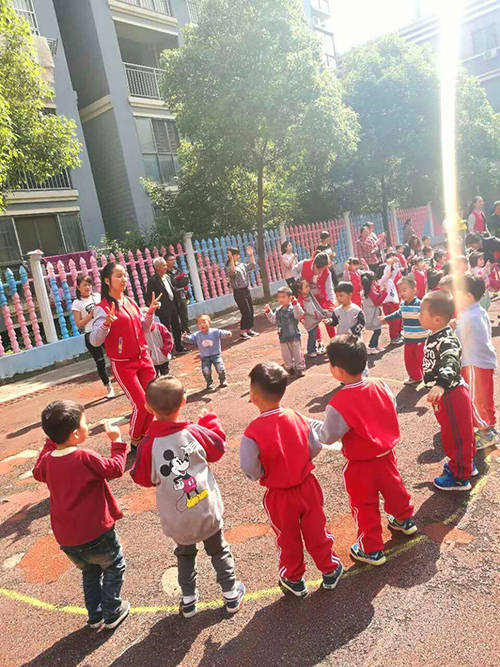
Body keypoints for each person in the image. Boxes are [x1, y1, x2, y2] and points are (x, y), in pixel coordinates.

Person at [130, 375, 245, 618]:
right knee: (219, 551)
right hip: (206, 510)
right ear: (183, 401)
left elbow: (141, 477)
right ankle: (231, 595)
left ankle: (189, 600)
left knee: (185, 555)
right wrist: (210, 422)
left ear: (148, 408)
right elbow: (218, 448)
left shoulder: (149, 445)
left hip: (177, 517)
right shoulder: (194, 431)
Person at [240, 361, 343, 596]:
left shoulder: (252, 431)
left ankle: (293, 578)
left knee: (287, 538)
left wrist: (261, 473)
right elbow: (315, 445)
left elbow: (249, 467)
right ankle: (329, 568)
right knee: (316, 530)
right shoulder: (295, 416)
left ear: (253, 396)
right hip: (307, 486)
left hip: (280, 496)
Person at [317, 335, 417, 566]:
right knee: (395, 489)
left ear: (338, 370)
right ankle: (404, 520)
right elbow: (391, 407)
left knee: (364, 504)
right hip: (386, 454)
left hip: (361, 463)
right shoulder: (380, 385)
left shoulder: (339, 402)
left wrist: (315, 430)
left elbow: (328, 436)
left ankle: (371, 548)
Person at [33, 400, 129, 630]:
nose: (88, 425)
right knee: (114, 566)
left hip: (67, 538)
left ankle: (95, 615)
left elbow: (37, 471)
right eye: (85, 422)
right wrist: (117, 442)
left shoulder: (47, 462)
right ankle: (112, 611)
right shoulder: (84, 457)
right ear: (76, 433)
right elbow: (115, 469)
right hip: (97, 531)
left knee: (90, 571)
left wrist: (51, 441)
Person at [90, 262, 160, 450]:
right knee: (141, 403)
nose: (124, 279)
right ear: (107, 280)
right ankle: (136, 439)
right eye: (119, 276)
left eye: (125, 275)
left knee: (154, 400)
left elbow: (144, 328)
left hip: (143, 358)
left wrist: (150, 313)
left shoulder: (130, 302)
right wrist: (106, 324)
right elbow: (95, 341)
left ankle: (147, 435)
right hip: (123, 364)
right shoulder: (102, 308)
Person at [419, 291, 476, 491]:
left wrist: (440, 384)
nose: (419, 316)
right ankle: (466, 465)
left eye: (422, 313)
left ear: (436, 319)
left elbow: (451, 360)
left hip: (450, 393)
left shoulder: (446, 339)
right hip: (447, 394)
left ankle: (459, 476)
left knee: (455, 435)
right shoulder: (438, 332)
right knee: (457, 432)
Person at [455, 276, 498, 450]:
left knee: (475, 399)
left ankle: (485, 433)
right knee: (485, 397)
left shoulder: (467, 316)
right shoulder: (479, 310)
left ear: (468, 295)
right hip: (484, 361)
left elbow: (457, 341)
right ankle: (489, 427)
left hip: (473, 363)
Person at [71, 276, 114, 399]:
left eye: (89, 284)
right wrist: (90, 315)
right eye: (84, 285)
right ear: (78, 287)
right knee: (100, 362)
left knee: (115, 356)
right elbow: (79, 324)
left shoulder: (98, 296)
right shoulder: (77, 303)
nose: (88, 287)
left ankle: (123, 380)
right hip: (90, 334)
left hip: (105, 330)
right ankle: (109, 387)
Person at [383, 276, 428, 385]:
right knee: (409, 359)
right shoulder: (402, 305)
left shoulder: (420, 304)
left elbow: (428, 316)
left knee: (422, 359)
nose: (401, 293)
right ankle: (415, 377)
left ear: (414, 290)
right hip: (408, 338)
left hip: (421, 339)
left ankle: (428, 378)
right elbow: (398, 314)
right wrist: (386, 318)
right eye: (399, 291)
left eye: (404, 290)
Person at [293, 251, 336, 339]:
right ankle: (319, 340)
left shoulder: (327, 273)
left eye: (322, 269)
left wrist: (331, 303)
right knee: (312, 319)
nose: (319, 272)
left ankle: (334, 339)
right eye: (318, 269)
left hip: (321, 296)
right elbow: (294, 270)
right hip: (308, 296)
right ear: (314, 263)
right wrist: (298, 281)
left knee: (327, 315)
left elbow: (329, 289)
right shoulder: (304, 264)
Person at [146, 257, 185, 354]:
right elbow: (150, 296)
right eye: (163, 265)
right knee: (166, 330)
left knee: (177, 327)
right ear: (158, 267)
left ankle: (179, 347)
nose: (166, 266)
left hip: (173, 305)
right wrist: (157, 306)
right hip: (163, 308)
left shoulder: (167, 277)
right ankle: (169, 350)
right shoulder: (152, 280)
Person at [183, 314, 231, 390]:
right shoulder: (197, 334)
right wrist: (185, 337)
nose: (202, 325)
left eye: (204, 322)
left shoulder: (215, 331)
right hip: (204, 357)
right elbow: (190, 339)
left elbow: (223, 333)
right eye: (199, 323)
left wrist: (227, 333)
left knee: (220, 368)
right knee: (206, 371)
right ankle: (209, 383)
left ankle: (223, 380)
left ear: (209, 323)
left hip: (216, 355)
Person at [265, 286, 305, 376]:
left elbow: (299, 315)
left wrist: (296, 304)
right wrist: (268, 312)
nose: (281, 299)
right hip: (283, 337)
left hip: (294, 336)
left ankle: (300, 368)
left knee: (297, 354)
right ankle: (289, 367)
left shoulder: (293, 308)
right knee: (286, 355)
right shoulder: (278, 310)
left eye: (283, 297)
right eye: (279, 297)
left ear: (290, 298)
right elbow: (274, 320)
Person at [227, 246, 259, 340]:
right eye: (236, 254)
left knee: (251, 311)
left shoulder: (241, 265)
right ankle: (242, 332)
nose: (238, 256)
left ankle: (249, 329)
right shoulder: (230, 267)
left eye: (238, 254)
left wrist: (251, 255)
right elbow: (232, 273)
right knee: (245, 312)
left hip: (246, 290)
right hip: (238, 292)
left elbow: (252, 266)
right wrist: (231, 259)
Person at [296, 279, 332, 357]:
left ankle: (313, 349)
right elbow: (299, 311)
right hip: (309, 321)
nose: (308, 288)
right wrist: (301, 318)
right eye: (306, 287)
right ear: (300, 290)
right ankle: (310, 351)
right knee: (312, 335)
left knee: (314, 334)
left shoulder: (309, 295)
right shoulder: (301, 300)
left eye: (308, 286)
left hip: (313, 319)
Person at [360, 271, 387, 354]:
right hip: (373, 314)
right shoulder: (370, 290)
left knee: (377, 330)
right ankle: (371, 346)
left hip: (370, 313)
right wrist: (384, 292)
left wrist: (379, 288)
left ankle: (375, 346)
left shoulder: (367, 289)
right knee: (377, 330)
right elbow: (377, 302)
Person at [166, 253, 191, 334]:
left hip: (181, 295)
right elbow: (172, 283)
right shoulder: (165, 273)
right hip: (172, 297)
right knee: (175, 317)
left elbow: (184, 281)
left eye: (174, 259)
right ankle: (177, 335)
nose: (174, 261)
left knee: (184, 315)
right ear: (166, 261)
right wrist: (177, 281)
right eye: (171, 260)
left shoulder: (177, 270)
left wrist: (177, 282)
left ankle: (186, 332)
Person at [380, 255, 403, 344]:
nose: (391, 272)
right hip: (388, 304)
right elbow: (386, 273)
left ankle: (398, 334)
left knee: (398, 319)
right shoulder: (383, 280)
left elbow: (395, 272)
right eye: (390, 270)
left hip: (394, 302)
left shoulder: (390, 279)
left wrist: (395, 263)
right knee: (393, 321)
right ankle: (394, 337)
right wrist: (389, 265)